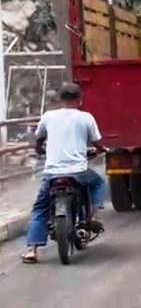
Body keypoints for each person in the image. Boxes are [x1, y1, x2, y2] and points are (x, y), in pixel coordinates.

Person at [22, 83, 107, 264]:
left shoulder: (48, 116)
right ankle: (93, 215)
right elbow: (97, 141)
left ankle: (31, 249)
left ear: (60, 99)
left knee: (40, 209)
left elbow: (39, 138)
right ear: (80, 99)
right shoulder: (86, 117)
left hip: (52, 172)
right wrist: (101, 149)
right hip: (78, 171)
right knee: (99, 182)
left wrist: (39, 148)